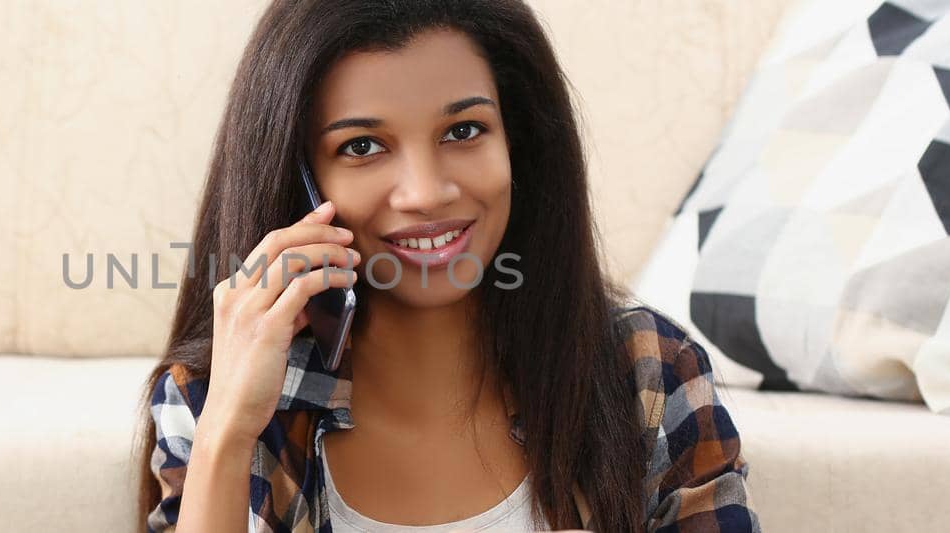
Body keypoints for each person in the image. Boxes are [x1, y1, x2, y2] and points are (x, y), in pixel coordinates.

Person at [134, 1, 757, 531]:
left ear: (519, 143)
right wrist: (226, 435)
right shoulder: (211, 398)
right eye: (361, 146)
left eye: (463, 131)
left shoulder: (650, 374)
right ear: (298, 182)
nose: (426, 193)